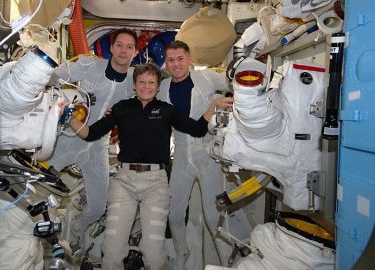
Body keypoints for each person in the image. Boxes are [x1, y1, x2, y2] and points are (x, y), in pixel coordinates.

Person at [69, 63, 234, 270]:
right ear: (135, 85)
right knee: (111, 251)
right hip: (124, 182)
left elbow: (198, 129)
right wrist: (69, 117)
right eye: (142, 82)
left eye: (151, 83)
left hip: (156, 184)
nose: (146, 86)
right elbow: (91, 133)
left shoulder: (166, 110)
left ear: (158, 88)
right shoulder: (122, 108)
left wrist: (214, 105)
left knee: (154, 256)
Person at [46, 28, 138, 256]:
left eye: (129, 47)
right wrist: (57, 100)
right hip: (67, 137)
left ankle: (76, 229)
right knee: (41, 185)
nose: (123, 51)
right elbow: (54, 75)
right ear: (111, 47)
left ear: (135, 52)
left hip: (97, 147)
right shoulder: (89, 65)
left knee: (97, 207)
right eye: (119, 45)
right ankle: (43, 232)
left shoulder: (134, 82)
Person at [158, 40, 237, 268]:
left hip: (209, 156)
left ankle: (226, 262)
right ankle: (182, 253)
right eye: (171, 60)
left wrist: (227, 99)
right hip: (182, 156)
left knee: (214, 218)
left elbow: (236, 83)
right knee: (173, 214)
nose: (176, 65)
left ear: (189, 59)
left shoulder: (207, 77)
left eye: (180, 59)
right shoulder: (163, 89)